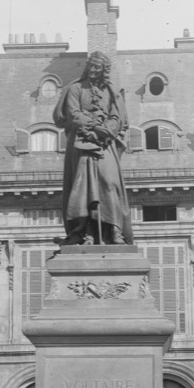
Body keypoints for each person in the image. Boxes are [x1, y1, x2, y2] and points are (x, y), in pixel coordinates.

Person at [53, 51, 133, 245]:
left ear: (104, 70)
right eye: (92, 66)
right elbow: (73, 113)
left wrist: (107, 130)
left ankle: (114, 230)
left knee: (109, 181)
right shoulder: (76, 88)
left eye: (99, 67)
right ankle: (86, 231)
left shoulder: (111, 91)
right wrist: (94, 127)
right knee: (84, 188)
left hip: (105, 144)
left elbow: (118, 116)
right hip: (81, 143)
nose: (94, 70)